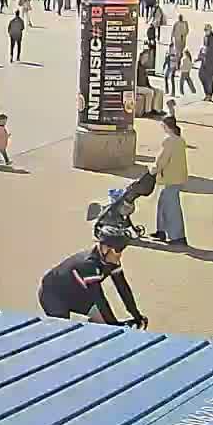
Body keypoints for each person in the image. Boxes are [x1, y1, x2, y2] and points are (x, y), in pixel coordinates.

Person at [38, 227, 148, 326]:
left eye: (122, 250)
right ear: (105, 248)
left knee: (102, 325)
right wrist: (114, 326)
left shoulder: (111, 261)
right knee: (62, 332)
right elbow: (100, 299)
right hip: (53, 295)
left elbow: (123, 289)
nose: (120, 254)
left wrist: (137, 315)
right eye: (118, 250)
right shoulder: (88, 265)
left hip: (77, 291)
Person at [152, 113, 189, 247]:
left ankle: (177, 236)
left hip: (171, 178)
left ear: (166, 126)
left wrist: (153, 170)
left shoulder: (169, 141)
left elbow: (162, 160)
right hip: (178, 177)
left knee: (171, 208)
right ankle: (161, 231)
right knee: (163, 203)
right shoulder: (179, 140)